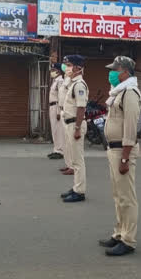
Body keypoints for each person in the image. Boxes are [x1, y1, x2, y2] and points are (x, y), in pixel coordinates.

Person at [100, 56, 141, 256]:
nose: (111, 73)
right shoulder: (118, 92)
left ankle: (129, 240)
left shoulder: (130, 93)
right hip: (113, 149)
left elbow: (131, 127)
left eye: (114, 69)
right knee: (118, 196)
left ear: (125, 71)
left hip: (122, 151)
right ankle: (119, 233)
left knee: (127, 197)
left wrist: (125, 157)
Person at [60, 55, 89, 203]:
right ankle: (76, 187)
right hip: (70, 123)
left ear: (77, 67)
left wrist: (77, 128)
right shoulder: (72, 83)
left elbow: (81, 108)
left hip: (75, 124)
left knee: (77, 160)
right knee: (73, 158)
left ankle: (80, 191)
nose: (67, 67)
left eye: (69, 64)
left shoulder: (79, 85)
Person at [47, 62, 65, 160]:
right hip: (52, 107)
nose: (52, 72)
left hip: (56, 107)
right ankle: (56, 149)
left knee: (58, 130)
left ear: (58, 71)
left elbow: (60, 98)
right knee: (54, 129)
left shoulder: (60, 81)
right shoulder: (55, 81)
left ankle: (60, 151)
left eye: (53, 70)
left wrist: (58, 112)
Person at [57, 62, 73, 174]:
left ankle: (72, 166)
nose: (65, 67)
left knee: (70, 143)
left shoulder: (72, 81)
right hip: (63, 110)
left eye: (68, 65)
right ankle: (68, 164)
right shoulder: (65, 79)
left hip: (69, 112)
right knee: (66, 141)